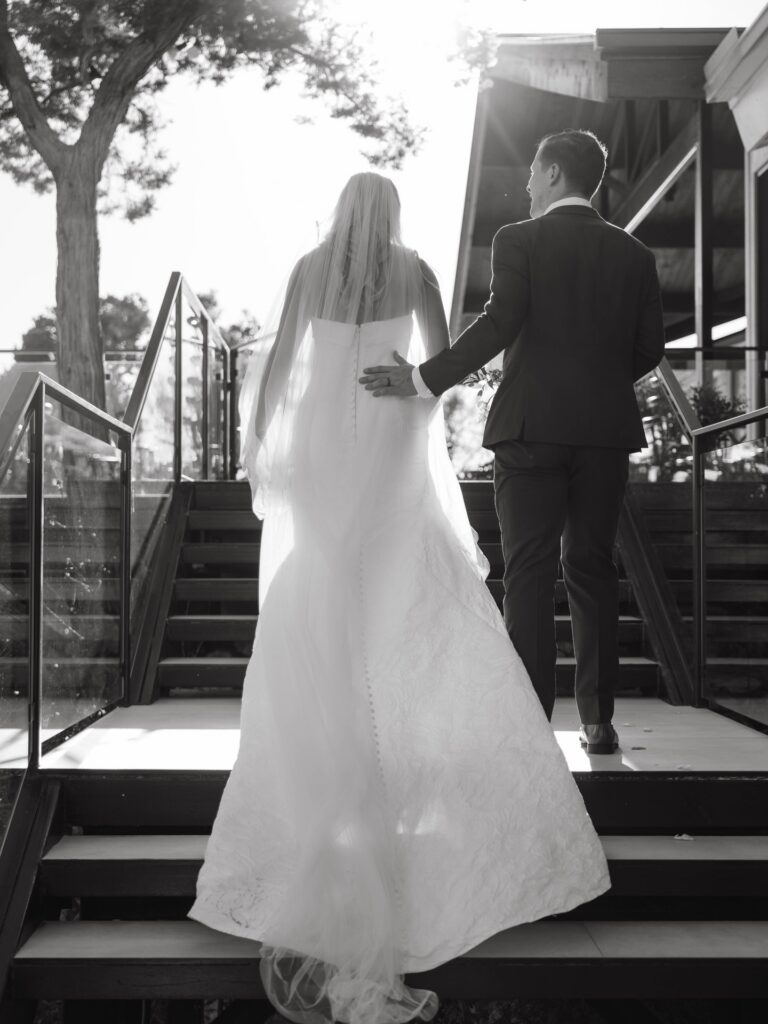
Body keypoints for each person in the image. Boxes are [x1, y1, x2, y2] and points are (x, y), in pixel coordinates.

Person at [188, 171, 611, 1024]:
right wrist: (407, 390)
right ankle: (389, 751)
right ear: (391, 215)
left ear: (342, 209)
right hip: (388, 440)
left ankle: (344, 745)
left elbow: (274, 364)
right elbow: (441, 362)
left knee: (325, 589)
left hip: (321, 450)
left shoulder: (309, 269)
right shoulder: (415, 269)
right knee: (398, 592)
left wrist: (260, 441)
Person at [362, 130, 666, 756]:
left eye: (533, 171)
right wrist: (598, 385)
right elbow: (649, 349)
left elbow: (501, 322)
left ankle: (532, 723)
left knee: (528, 571)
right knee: (593, 568)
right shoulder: (635, 255)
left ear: (554, 174)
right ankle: (599, 722)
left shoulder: (518, 239)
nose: (526, 184)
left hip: (529, 431)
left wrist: (422, 378)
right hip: (605, 435)